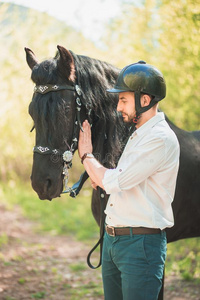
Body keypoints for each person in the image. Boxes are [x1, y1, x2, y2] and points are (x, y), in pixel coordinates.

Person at [78, 61, 180, 300]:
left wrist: (86, 155)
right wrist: (101, 178)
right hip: (115, 242)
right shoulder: (139, 135)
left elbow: (116, 181)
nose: (118, 107)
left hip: (140, 246)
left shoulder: (160, 138)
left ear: (145, 100)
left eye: (123, 100)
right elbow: (125, 181)